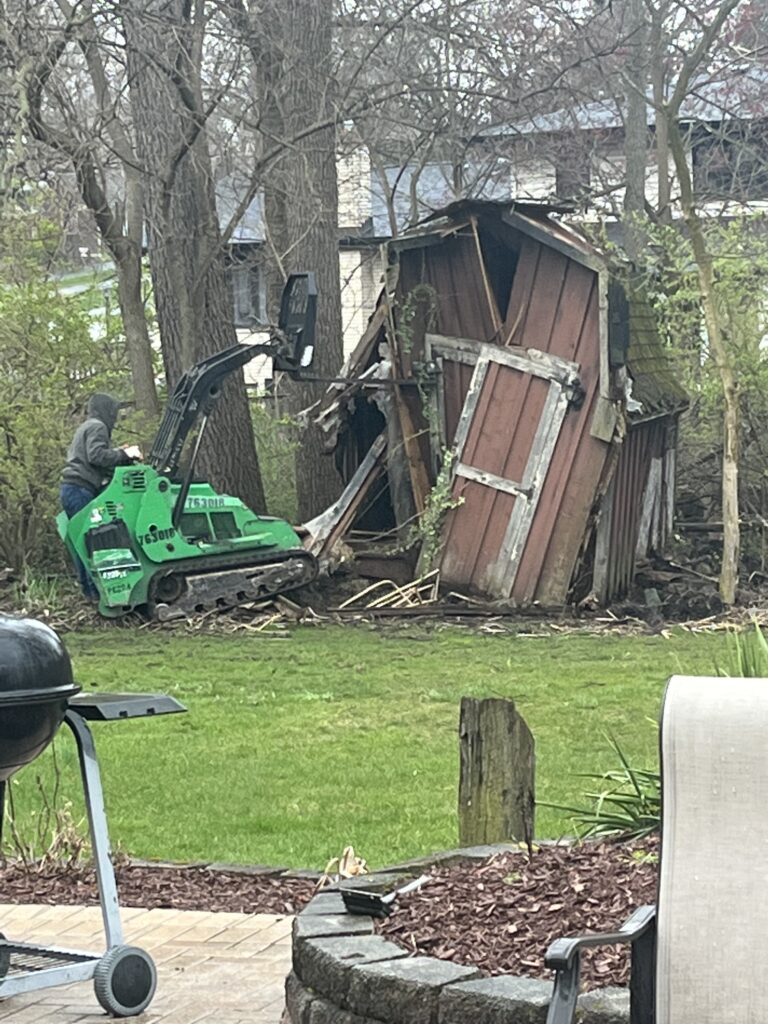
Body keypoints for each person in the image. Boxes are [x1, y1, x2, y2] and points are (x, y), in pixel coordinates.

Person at [60, 394, 141, 599]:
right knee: (91, 542)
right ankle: (97, 594)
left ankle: (90, 592)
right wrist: (126, 455)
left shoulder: (86, 426)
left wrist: (116, 454)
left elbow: (91, 459)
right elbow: (96, 456)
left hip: (72, 488)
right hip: (80, 490)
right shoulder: (98, 427)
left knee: (81, 541)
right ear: (107, 410)